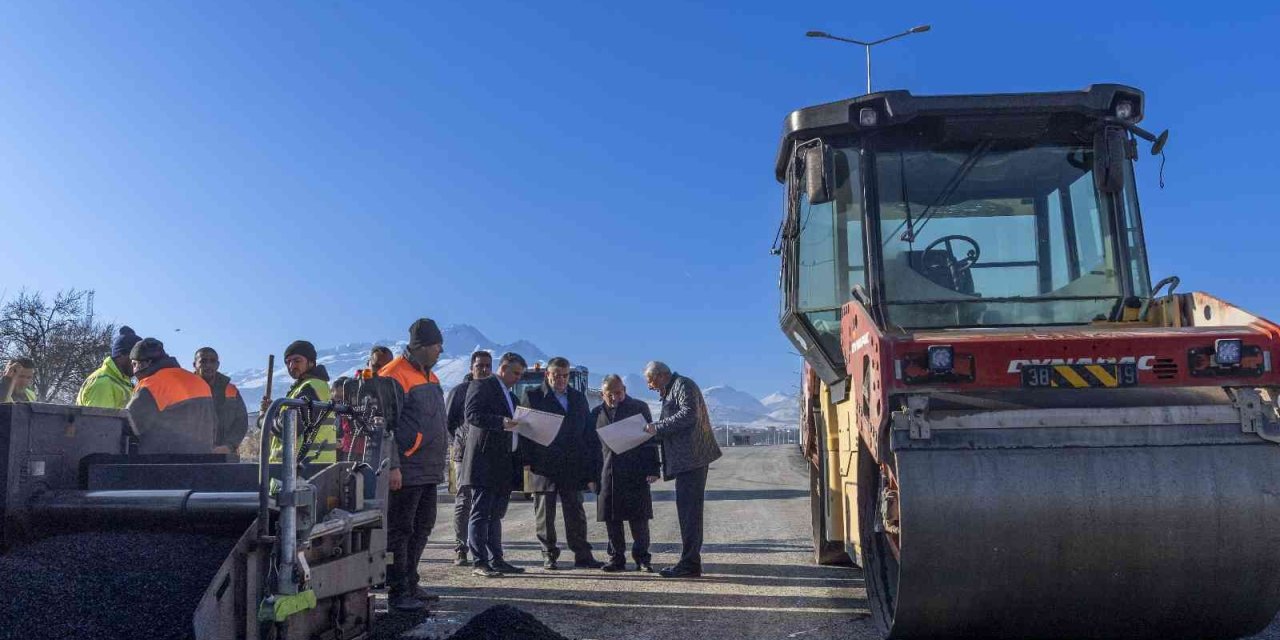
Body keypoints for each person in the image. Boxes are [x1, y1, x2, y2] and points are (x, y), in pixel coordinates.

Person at [378, 319, 451, 611]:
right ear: (420, 346)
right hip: (406, 469)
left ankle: (410, 582)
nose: (441, 351)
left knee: (423, 526)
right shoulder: (393, 375)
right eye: (436, 346)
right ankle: (398, 592)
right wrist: (393, 465)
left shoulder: (431, 377)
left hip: (428, 469)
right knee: (400, 530)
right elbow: (382, 425)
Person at [521, 356, 603, 570]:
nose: (561, 379)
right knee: (545, 513)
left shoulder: (577, 398)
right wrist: (526, 461)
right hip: (543, 464)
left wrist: (590, 466)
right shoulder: (533, 396)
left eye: (565, 376)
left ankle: (582, 555)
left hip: (572, 463)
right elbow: (525, 432)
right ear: (547, 374)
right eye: (556, 375)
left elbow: (587, 432)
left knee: (575, 510)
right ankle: (549, 554)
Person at [643, 361, 722, 578]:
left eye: (650, 381)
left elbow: (688, 415)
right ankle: (689, 561)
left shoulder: (683, 385)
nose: (649, 386)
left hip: (692, 460)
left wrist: (656, 428)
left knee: (690, 513)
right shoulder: (674, 387)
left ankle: (690, 563)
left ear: (660, 375)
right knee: (687, 512)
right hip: (687, 461)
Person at [460, 351, 527, 578]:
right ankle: (480, 561)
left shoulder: (512, 397)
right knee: (480, 513)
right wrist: (501, 422)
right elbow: (472, 415)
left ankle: (497, 559)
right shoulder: (483, 385)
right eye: (516, 372)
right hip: (484, 462)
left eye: (521, 374)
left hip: (503, 464)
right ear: (504, 367)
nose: (518, 378)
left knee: (496, 515)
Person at [592, 374, 659, 572]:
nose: (614, 397)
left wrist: (653, 469)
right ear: (602, 394)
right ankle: (616, 559)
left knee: (638, 519)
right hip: (607, 473)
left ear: (625, 390)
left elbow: (650, 440)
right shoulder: (596, 414)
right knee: (611, 519)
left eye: (618, 393)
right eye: (609, 394)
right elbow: (590, 447)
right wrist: (590, 477)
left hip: (635, 473)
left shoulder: (639, 408)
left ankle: (642, 559)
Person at [126, 338, 218, 454]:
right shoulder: (200, 383)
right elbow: (214, 426)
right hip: (202, 464)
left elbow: (129, 426)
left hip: (162, 466)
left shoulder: (152, 386)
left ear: (147, 363)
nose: (133, 370)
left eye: (135, 364)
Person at [444, 350, 492, 567]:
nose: (483, 369)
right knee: (464, 500)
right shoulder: (460, 391)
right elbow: (449, 422)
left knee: (485, 503)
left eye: (487, 366)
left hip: (488, 454)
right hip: (463, 453)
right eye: (479, 365)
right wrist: (460, 441)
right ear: (471, 367)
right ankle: (460, 547)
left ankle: (482, 548)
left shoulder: (493, 391)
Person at [264, 340, 337, 463]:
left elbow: (289, 427)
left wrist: (265, 418)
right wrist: (274, 410)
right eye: (288, 362)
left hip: (305, 469)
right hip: (302, 466)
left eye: (297, 361)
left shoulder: (312, 386)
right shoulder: (303, 387)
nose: (291, 366)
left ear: (311, 362)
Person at [193, 347, 249, 456]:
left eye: (212, 361)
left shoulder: (231, 390)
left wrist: (229, 446)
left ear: (218, 365)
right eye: (203, 361)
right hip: (192, 456)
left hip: (226, 457)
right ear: (195, 364)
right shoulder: (186, 389)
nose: (208, 365)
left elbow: (241, 422)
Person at [78, 326, 142, 409]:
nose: (139, 365)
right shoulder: (104, 384)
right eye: (137, 359)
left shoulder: (122, 382)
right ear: (121, 355)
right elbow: (100, 421)